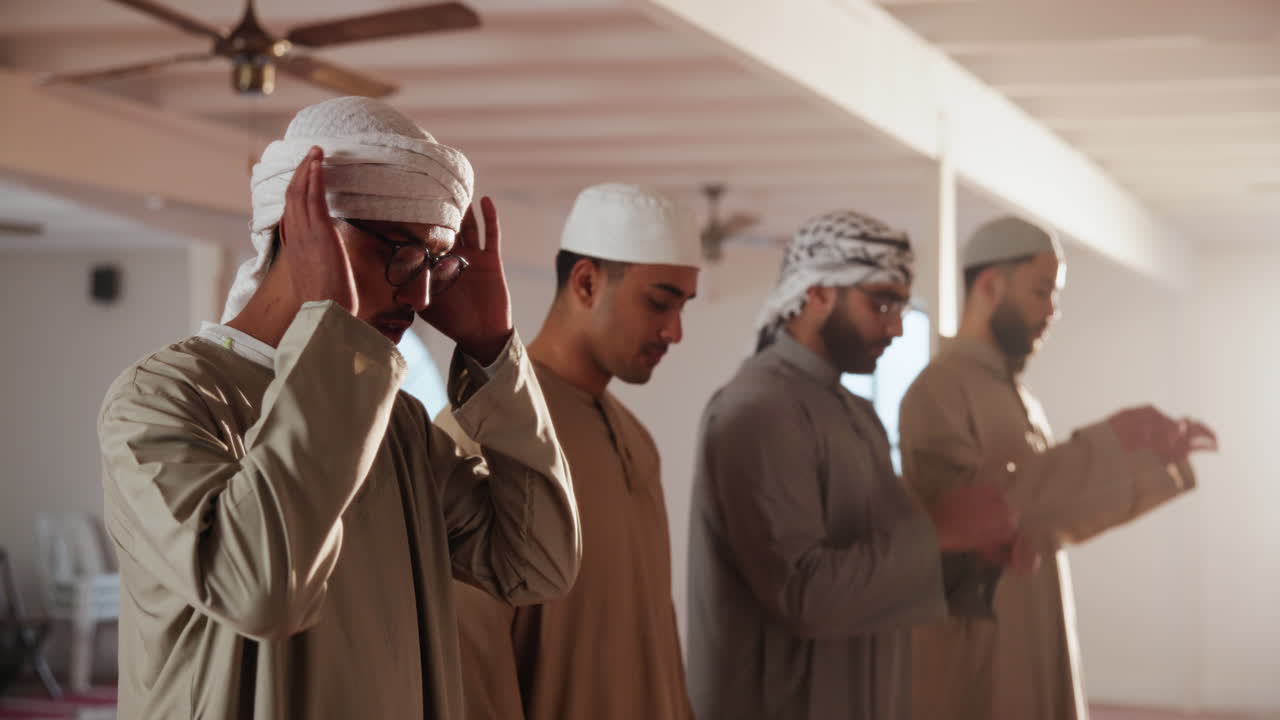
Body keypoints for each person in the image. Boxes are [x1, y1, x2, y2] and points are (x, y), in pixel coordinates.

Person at [97, 96, 581, 720]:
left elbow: (535, 565)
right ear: (305, 230)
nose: (423, 292)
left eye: (436, 263)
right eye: (402, 252)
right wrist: (333, 340)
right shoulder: (164, 398)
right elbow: (261, 590)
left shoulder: (394, 420)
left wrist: (493, 351)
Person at [686, 210, 1018, 720]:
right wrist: (941, 534)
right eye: (881, 303)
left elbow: (880, 562)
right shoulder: (759, 409)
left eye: (901, 307)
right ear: (816, 293)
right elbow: (803, 594)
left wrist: (972, 553)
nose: (895, 327)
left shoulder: (854, 411)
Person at [901, 215, 1218, 720]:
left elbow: (1051, 516)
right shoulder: (938, 389)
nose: (1051, 311)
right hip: (978, 655)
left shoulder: (1017, 396)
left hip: (1032, 628)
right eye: (1041, 291)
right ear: (989, 285)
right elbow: (969, 520)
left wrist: (1146, 457)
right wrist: (1115, 443)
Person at [442, 183, 698, 720]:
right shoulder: (485, 429)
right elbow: (467, 667)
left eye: (683, 307)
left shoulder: (635, 438)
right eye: (659, 302)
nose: (674, 331)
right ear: (586, 282)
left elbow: (656, 641)